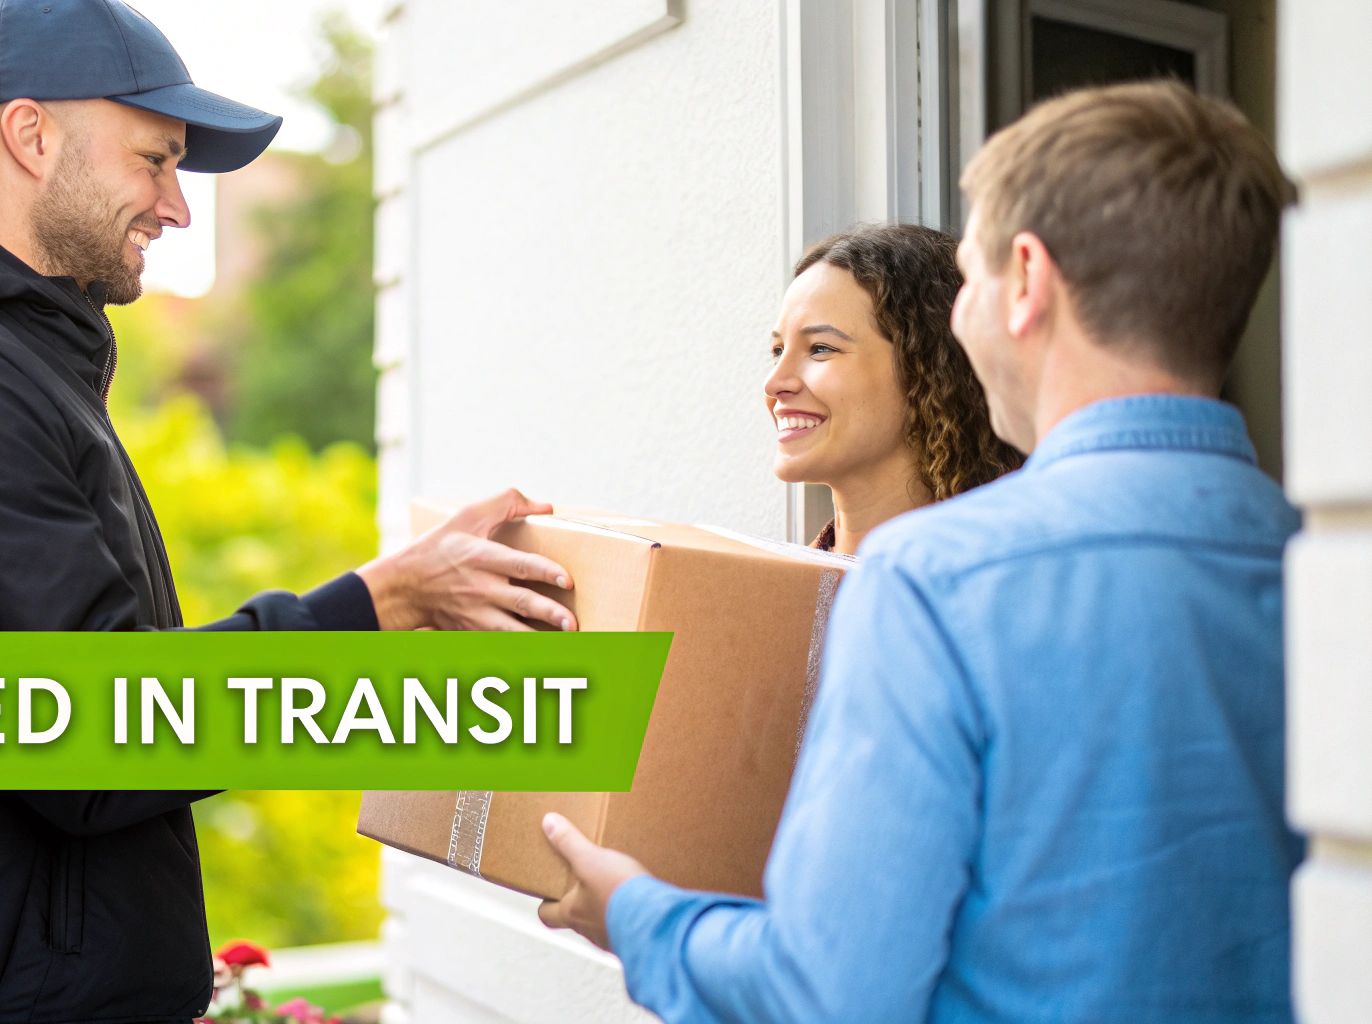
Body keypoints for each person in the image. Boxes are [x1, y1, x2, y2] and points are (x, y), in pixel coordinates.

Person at [0, 2, 576, 1021]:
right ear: (30, 136)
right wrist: (378, 604)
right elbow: (94, 732)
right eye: (155, 160)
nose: (178, 207)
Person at [539, 79, 1300, 1022]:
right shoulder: (1323, 568)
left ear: (1026, 281)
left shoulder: (941, 583)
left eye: (970, 284)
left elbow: (827, 995)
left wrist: (640, 918)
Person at [767, 224, 1020, 555]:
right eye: (777, 351)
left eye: (820, 348)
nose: (774, 384)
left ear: (925, 370)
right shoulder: (768, 591)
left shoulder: (998, 581)